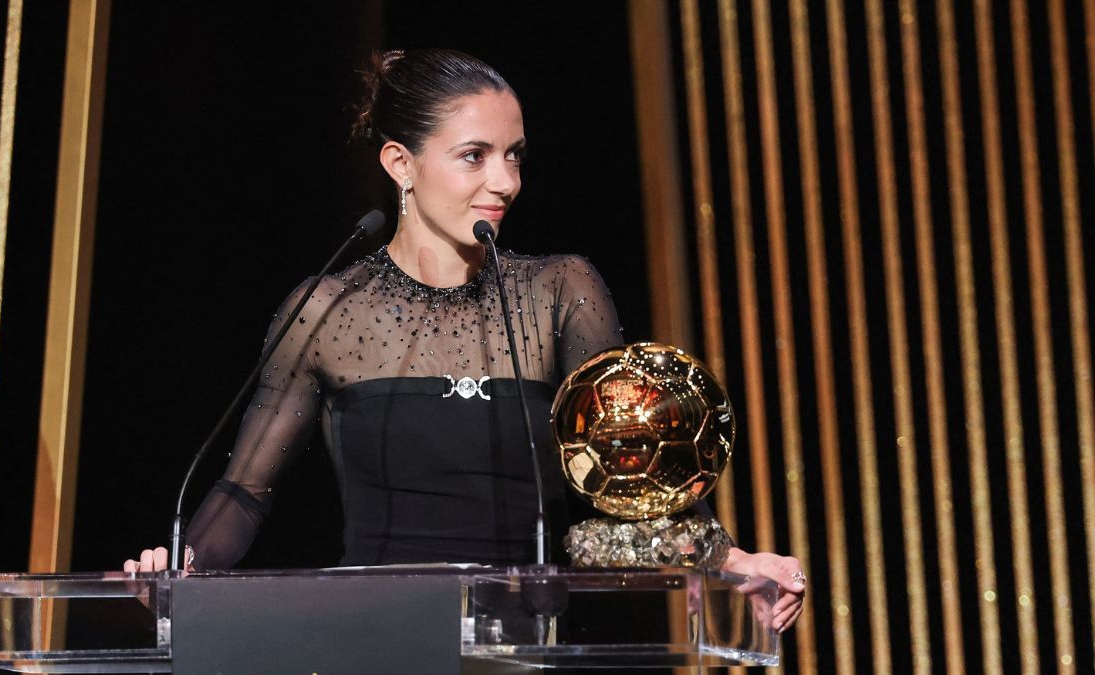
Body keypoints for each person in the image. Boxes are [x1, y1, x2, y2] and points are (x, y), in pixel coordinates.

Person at [124, 48, 805, 633]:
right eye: (474, 156)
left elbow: (635, 474)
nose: (505, 182)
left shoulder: (560, 292)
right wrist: (182, 564)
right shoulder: (329, 308)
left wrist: (732, 559)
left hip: (522, 648)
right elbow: (245, 491)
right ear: (401, 163)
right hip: (372, 643)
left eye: (514, 156)